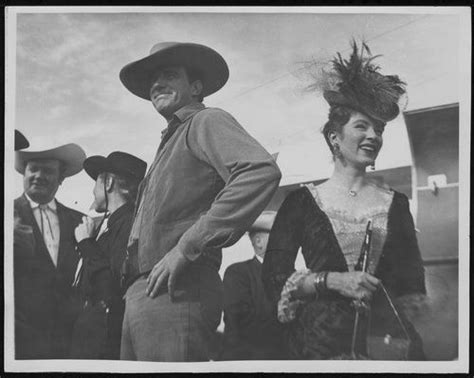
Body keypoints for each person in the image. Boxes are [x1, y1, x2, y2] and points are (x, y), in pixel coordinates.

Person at [262, 41, 426, 360]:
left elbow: (413, 286)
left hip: (386, 349)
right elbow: (273, 278)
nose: (373, 136)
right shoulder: (300, 202)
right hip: (318, 347)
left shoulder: (397, 204)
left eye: (378, 129)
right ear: (334, 137)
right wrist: (331, 281)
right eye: (361, 126)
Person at [119, 41, 281, 361]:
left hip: (178, 290)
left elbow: (259, 172)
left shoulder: (205, 121)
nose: (156, 84)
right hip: (141, 293)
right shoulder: (169, 141)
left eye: (168, 75)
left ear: (195, 87)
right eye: (153, 79)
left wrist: (185, 247)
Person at [69, 151, 147, 359]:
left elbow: (111, 286)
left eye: (96, 183)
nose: (93, 191)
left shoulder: (129, 223)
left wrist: (86, 244)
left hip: (104, 340)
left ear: (109, 182)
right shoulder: (113, 225)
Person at [14, 143, 86, 359]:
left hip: (68, 340)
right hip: (19, 339)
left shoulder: (79, 222)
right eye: (33, 169)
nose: (38, 176)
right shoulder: (8, 214)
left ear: (61, 178)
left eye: (47, 171)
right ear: (24, 173)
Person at [221, 211, 286, 360]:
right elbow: (240, 324)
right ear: (258, 242)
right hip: (248, 360)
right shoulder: (238, 273)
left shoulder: (293, 274)